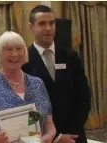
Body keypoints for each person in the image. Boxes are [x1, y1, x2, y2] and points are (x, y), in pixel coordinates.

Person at [22, 5, 91, 143]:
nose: (48, 28)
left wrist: (71, 132)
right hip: (44, 138)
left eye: (52, 23)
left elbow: (84, 97)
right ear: (31, 27)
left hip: (74, 136)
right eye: (42, 23)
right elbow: (28, 107)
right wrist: (55, 136)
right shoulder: (24, 61)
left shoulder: (71, 57)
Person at [0, 31, 56, 143]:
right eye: (8, 49)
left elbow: (49, 123)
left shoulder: (38, 84)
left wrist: (49, 135)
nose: (15, 54)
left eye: (19, 48)